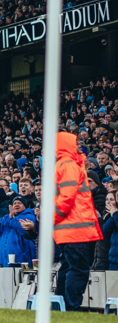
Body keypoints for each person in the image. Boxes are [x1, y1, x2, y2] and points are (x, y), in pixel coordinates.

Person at [53, 132, 104, 311]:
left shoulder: (63, 164)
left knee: (67, 268)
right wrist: (55, 216)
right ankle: (71, 308)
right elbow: (68, 196)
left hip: (68, 229)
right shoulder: (69, 164)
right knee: (79, 269)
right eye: (76, 143)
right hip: (75, 229)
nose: (79, 146)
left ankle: (60, 307)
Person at [0, 196, 36, 268]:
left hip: (22, 256)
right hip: (3, 257)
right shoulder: (6, 217)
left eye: (19, 203)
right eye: (14, 203)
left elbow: (25, 232)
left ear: (25, 206)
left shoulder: (30, 216)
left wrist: (13, 219)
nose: (16, 205)